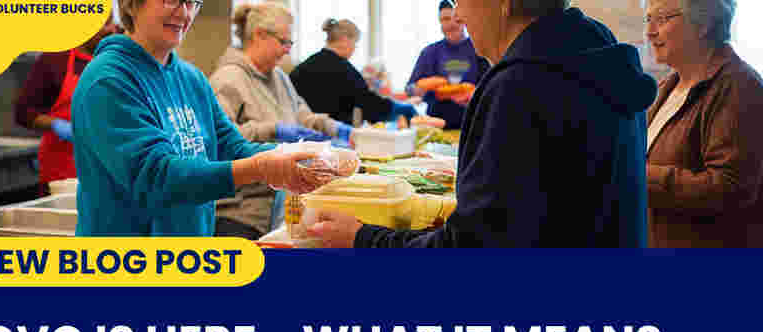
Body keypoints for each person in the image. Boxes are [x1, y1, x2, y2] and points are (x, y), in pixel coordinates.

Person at [308, 0, 658, 248]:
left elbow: (471, 248)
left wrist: (362, 238)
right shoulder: (599, 56)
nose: (459, 14)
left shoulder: (521, 84)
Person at [70, 0, 322, 236]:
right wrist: (260, 167)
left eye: (192, 2)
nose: (184, 13)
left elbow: (232, 147)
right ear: (131, 5)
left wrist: (300, 156)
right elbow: (159, 177)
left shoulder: (191, 78)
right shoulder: (109, 80)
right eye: (171, 0)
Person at [209, 3, 350, 236]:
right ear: (259, 35)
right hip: (241, 213)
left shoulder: (280, 78)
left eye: (290, 43)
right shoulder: (228, 79)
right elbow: (220, 143)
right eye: (283, 42)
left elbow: (303, 115)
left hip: (280, 206)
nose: (287, 50)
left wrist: (337, 129)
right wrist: (273, 130)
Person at [645, 0, 763, 247]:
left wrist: (639, 175)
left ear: (704, 23)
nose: (650, 31)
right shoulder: (667, 87)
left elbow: (730, 187)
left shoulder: (739, 87)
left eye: (662, 18)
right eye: (648, 19)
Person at [14, 12, 121, 194]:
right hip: (63, 176)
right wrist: (58, 126)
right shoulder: (56, 59)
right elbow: (23, 113)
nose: (111, 29)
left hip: (107, 172)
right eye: (104, 24)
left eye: (112, 22)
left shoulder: (116, 60)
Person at [290, 19, 418, 126]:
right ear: (345, 40)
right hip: (334, 136)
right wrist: (400, 108)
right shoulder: (345, 71)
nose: (354, 49)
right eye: (355, 44)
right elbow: (370, 105)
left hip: (300, 136)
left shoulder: (300, 69)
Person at [405, 0, 490, 130]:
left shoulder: (479, 50)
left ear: (463, 18)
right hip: (435, 125)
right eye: (445, 19)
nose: (451, 24)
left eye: (455, 18)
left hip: (473, 124)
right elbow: (409, 89)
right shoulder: (430, 52)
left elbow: (490, 87)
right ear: (439, 21)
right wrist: (419, 89)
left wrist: (473, 94)